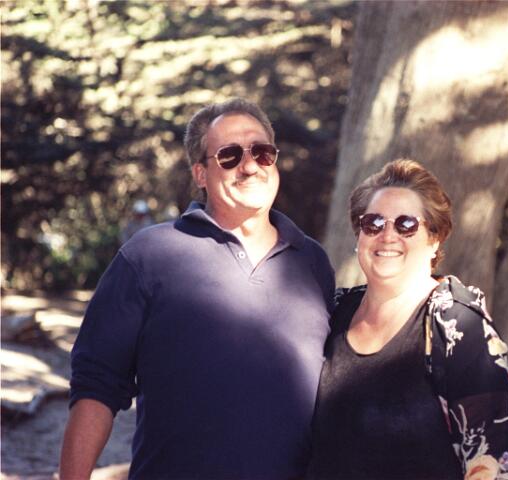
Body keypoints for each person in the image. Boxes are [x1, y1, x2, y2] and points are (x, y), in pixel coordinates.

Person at [59, 99, 335, 479]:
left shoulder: (313, 262)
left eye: (262, 152)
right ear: (201, 174)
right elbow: (96, 385)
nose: (250, 166)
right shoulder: (148, 255)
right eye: (230, 155)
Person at [307, 159, 508, 480]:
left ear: (434, 239)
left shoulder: (455, 323)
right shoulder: (335, 310)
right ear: (359, 235)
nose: (387, 235)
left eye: (406, 224)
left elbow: (504, 445)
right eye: (373, 223)